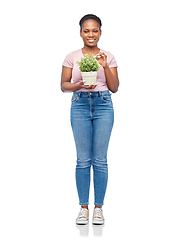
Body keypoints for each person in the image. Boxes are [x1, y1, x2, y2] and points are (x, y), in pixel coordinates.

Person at [61, 14, 119, 225]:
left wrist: (104, 66)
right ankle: (83, 207)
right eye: (86, 31)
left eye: (95, 30)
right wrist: (79, 86)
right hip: (80, 105)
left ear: (100, 32)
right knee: (83, 160)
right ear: (80, 33)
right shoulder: (72, 56)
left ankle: (99, 209)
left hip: (104, 105)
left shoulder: (108, 56)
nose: (91, 34)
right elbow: (64, 85)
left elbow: (114, 88)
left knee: (100, 160)